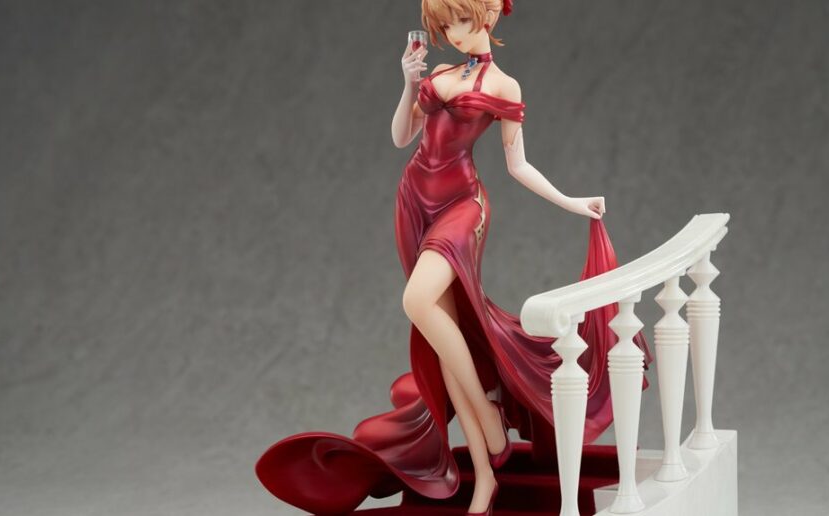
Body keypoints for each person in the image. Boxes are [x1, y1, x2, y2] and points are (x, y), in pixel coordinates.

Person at [255, 1, 653, 514]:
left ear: (487, 14)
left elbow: (518, 165)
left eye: (459, 21)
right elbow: (401, 137)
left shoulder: (504, 86)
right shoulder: (441, 72)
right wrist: (408, 83)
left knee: (417, 301)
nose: (453, 34)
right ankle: (485, 477)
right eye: (444, 25)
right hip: (414, 201)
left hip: (464, 205)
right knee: (444, 338)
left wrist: (572, 202)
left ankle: (489, 418)